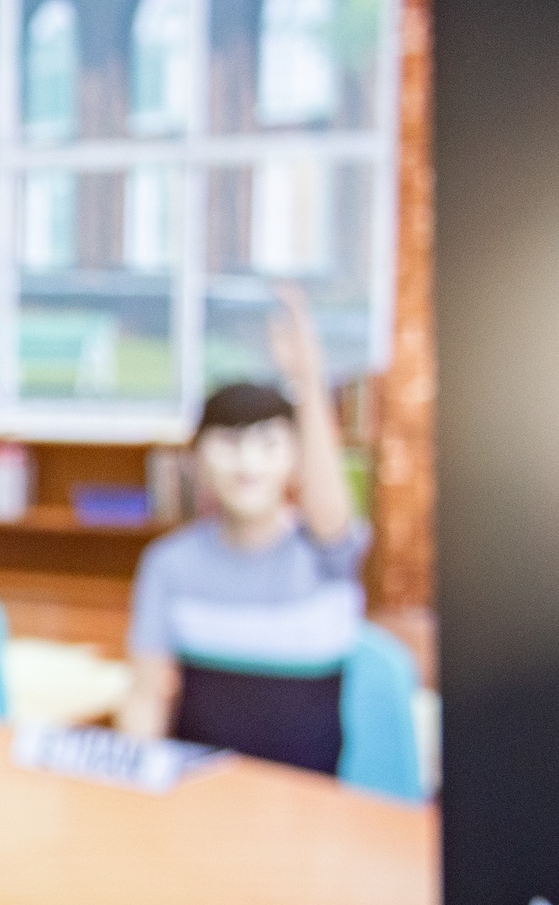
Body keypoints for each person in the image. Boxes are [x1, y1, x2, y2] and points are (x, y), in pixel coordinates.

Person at [114, 287, 369, 774]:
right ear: (195, 460)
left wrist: (308, 381)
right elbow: (146, 695)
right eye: (228, 443)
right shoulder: (169, 564)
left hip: (307, 812)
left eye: (270, 444)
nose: (248, 461)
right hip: (200, 803)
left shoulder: (325, 556)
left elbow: (331, 516)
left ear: (295, 458)